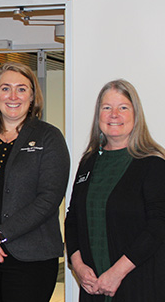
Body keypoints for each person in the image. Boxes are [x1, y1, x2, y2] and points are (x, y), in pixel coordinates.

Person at [0, 62, 69, 302]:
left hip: (32, 258)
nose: (13, 96)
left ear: (32, 96)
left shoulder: (48, 137)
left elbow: (49, 198)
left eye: (21, 89)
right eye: (6, 88)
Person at [65, 79, 165, 301]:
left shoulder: (152, 163)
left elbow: (158, 226)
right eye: (106, 108)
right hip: (93, 287)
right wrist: (79, 266)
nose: (114, 114)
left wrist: (116, 273)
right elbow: (72, 219)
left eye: (123, 108)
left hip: (138, 284)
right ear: (98, 115)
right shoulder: (89, 161)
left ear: (135, 115)